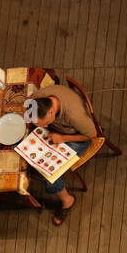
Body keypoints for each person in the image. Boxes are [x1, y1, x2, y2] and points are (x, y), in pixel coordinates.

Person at [27, 85, 97, 225]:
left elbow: (93, 135)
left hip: (76, 138)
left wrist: (63, 138)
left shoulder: (74, 116)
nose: (44, 126)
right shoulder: (36, 99)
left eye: (45, 123)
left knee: (49, 173)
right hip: (57, 131)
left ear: (52, 112)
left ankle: (67, 200)